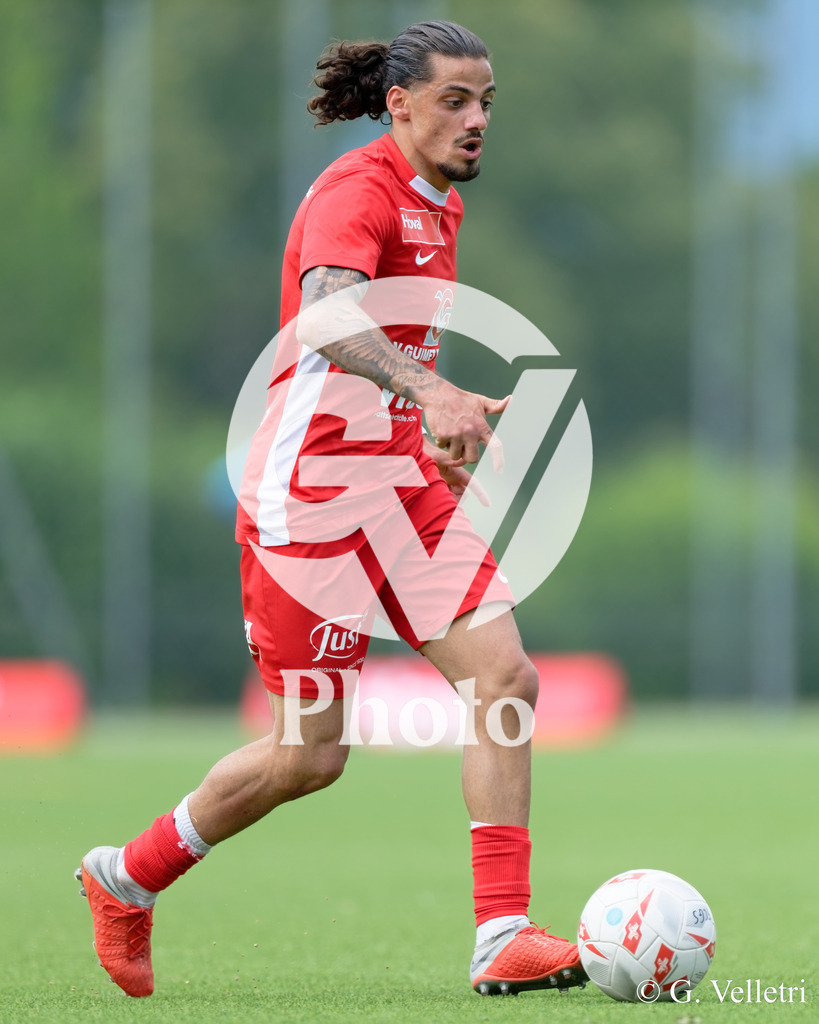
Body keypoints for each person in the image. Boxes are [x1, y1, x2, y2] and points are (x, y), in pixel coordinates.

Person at [76, 20, 587, 999]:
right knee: (311, 756)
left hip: (399, 493)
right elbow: (326, 312)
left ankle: (503, 933)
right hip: (308, 509)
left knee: (506, 678)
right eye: (454, 101)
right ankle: (127, 876)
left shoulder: (439, 206)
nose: (477, 120)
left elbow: (394, 348)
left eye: (486, 103)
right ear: (399, 104)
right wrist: (428, 391)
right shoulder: (357, 192)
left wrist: (434, 415)